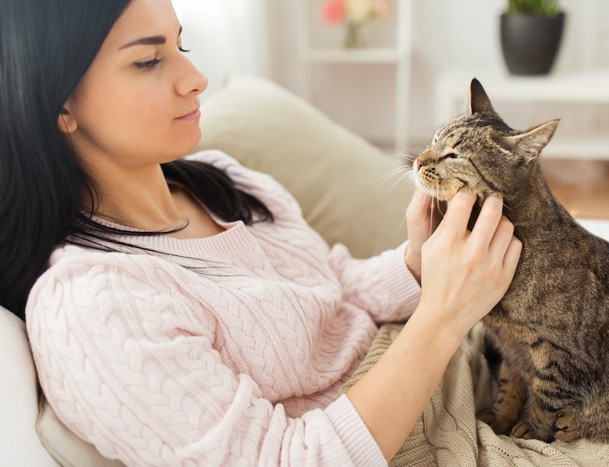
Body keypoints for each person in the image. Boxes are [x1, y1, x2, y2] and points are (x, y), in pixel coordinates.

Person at [0, 0, 521, 464]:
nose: (197, 77)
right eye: (149, 60)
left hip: (473, 364)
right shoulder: (96, 304)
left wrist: (417, 264)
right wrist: (441, 317)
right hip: (434, 430)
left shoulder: (223, 181)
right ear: (59, 103)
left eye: (182, 44)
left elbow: (334, 286)